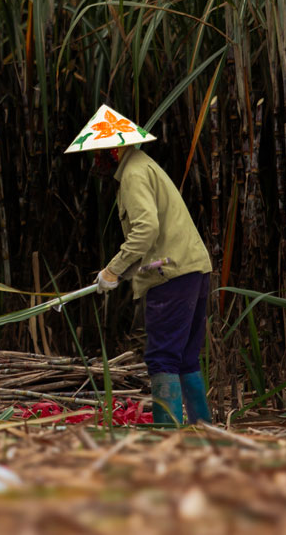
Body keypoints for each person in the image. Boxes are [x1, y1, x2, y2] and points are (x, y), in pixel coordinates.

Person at [64, 105, 214, 425]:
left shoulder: (133, 173)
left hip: (171, 274)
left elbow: (146, 229)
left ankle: (165, 433)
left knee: (162, 358)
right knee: (185, 358)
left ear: (116, 149)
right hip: (193, 270)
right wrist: (121, 272)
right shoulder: (144, 166)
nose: (96, 160)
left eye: (99, 151)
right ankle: (204, 429)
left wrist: (113, 269)